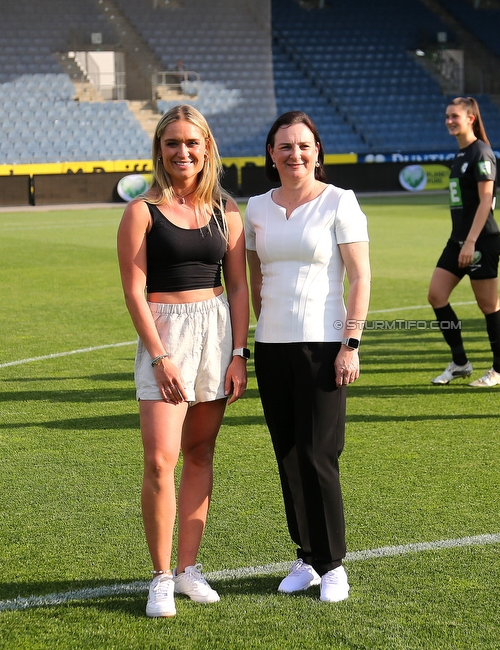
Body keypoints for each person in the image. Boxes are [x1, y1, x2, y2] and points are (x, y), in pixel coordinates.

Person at [116, 104, 250, 618]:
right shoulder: (140, 211)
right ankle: (161, 576)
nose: (183, 152)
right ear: (160, 150)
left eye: (192, 142)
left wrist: (239, 353)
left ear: (207, 147)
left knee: (200, 454)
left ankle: (190, 569)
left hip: (217, 332)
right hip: (165, 333)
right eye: (172, 143)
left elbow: (237, 286)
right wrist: (160, 355)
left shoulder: (225, 209)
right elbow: (134, 289)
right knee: (159, 460)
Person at [244, 111, 371, 603]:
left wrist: (350, 344)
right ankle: (305, 558)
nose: (294, 154)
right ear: (271, 153)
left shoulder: (340, 201)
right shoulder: (256, 207)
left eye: (303, 145)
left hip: (325, 346)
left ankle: (333, 564)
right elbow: (256, 279)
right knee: (289, 455)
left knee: (320, 455)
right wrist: (264, 327)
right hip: (272, 347)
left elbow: (359, 277)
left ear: (318, 150)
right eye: (284, 146)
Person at [428, 96, 500, 387]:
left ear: (470, 119)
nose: (450, 120)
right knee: (436, 295)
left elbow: (486, 200)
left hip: (481, 240)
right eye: (447, 116)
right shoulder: (461, 155)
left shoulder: (481, 153)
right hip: (458, 240)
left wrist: (471, 241)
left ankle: (499, 371)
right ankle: (461, 363)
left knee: (489, 305)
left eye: (455, 116)